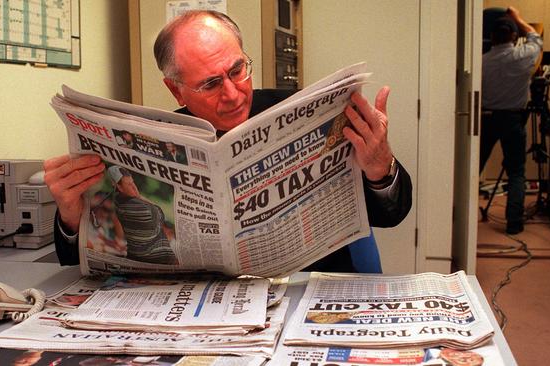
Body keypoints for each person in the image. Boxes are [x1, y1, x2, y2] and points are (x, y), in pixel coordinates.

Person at [45, 10, 412, 272]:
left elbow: (390, 214)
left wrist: (381, 168)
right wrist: (70, 216)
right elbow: (73, 261)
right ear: (176, 89)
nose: (234, 94)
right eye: (210, 84)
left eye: (238, 70)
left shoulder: (302, 111)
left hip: (306, 295)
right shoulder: (152, 139)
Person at [480, 6, 542, 235]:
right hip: (513, 120)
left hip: (485, 119)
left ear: (492, 37)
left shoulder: (482, 62)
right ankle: (514, 224)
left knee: (474, 167)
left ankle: (460, 216)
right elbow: (536, 37)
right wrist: (517, 17)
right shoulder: (525, 55)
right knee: (516, 172)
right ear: (514, 37)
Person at [108, 165, 177, 265]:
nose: (134, 187)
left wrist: (138, 196)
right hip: (156, 262)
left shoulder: (120, 199)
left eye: (133, 182)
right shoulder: (134, 207)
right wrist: (139, 197)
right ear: (119, 187)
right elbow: (160, 215)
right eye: (129, 184)